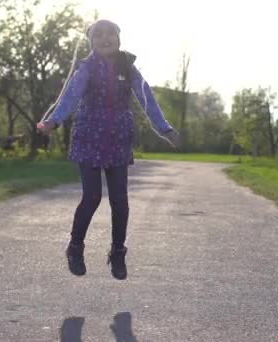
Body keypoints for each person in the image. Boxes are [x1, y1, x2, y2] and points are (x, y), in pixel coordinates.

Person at [38, 19, 180, 280]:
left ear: (119, 38)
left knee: (120, 200)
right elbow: (70, 96)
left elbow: (146, 98)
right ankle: (75, 247)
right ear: (91, 41)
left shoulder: (128, 67)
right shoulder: (86, 69)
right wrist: (53, 121)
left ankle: (117, 253)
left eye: (110, 34)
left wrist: (165, 128)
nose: (105, 39)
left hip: (118, 139)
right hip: (89, 137)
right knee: (92, 197)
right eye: (98, 35)